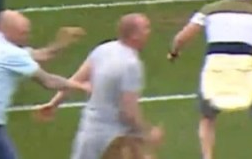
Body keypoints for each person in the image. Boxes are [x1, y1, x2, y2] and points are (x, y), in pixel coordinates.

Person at [168, 0, 252, 159]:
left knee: (207, 117)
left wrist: (174, 52)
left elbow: (182, 37)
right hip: (245, 69)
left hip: (215, 69)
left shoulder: (210, 10)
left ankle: (207, 157)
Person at [0, 11, 88, 159]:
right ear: (8, 31)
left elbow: (39, 55)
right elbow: (48, 81)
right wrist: (82, 86)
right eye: (23, 33)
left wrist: (61, 43)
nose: (28, 37)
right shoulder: (10, 53)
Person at [37, 14, 163, 159]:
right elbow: (129, 112)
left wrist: (54, 103)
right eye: (146, 28)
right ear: (134, 35)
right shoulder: (131, 65)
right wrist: (147, 132)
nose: (149, 31)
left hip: (93, 129)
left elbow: (74, 80)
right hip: (110, 135)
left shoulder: (103, 49)